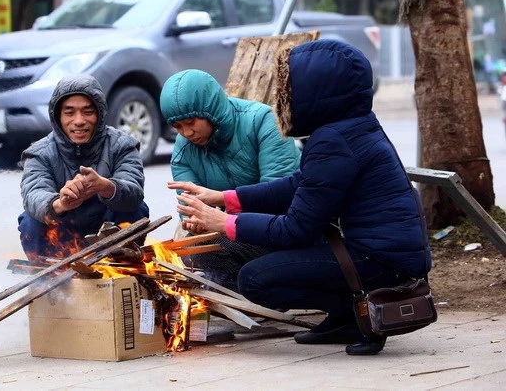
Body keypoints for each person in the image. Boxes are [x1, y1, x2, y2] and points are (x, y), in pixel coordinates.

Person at [168, 40, 432, 356]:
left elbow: (296, 229)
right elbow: (298, 183)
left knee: (256, 280)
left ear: (316, 90)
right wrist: (224, 197)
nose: (285, 98)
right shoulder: (347, 128)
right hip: (383, 253)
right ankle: (345, 315)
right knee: (232, 254)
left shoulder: (333, 140)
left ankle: (358, 313)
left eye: (290, 88)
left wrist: (224, 222)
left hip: (383, 261)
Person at [160, 69, 301, 290]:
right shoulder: (183, 150)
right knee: (188, 253)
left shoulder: (263, 121)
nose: (186, 133)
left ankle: (272, 290)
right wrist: (196, 223)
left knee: (214, 250)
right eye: (177, 127)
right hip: (234, 232)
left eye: (190, 122)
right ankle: (255, 294)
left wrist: (223, 218)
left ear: (209, 109)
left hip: (284, 228)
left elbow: (277, 197)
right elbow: (192, 209)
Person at [18, 74, 149, 261]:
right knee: (31, 220)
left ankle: (120, 270)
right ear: (57, 117)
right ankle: (50, 281)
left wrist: (105, 186)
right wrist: (60, 204)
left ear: (100, 114)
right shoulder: (39, 153)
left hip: (107, 232)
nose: (79, 121)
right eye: (69, 113)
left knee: (136, 209)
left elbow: (133, 190)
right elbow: (34, 194)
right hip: (64, 233)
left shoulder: (122, 145)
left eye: (88, 112)